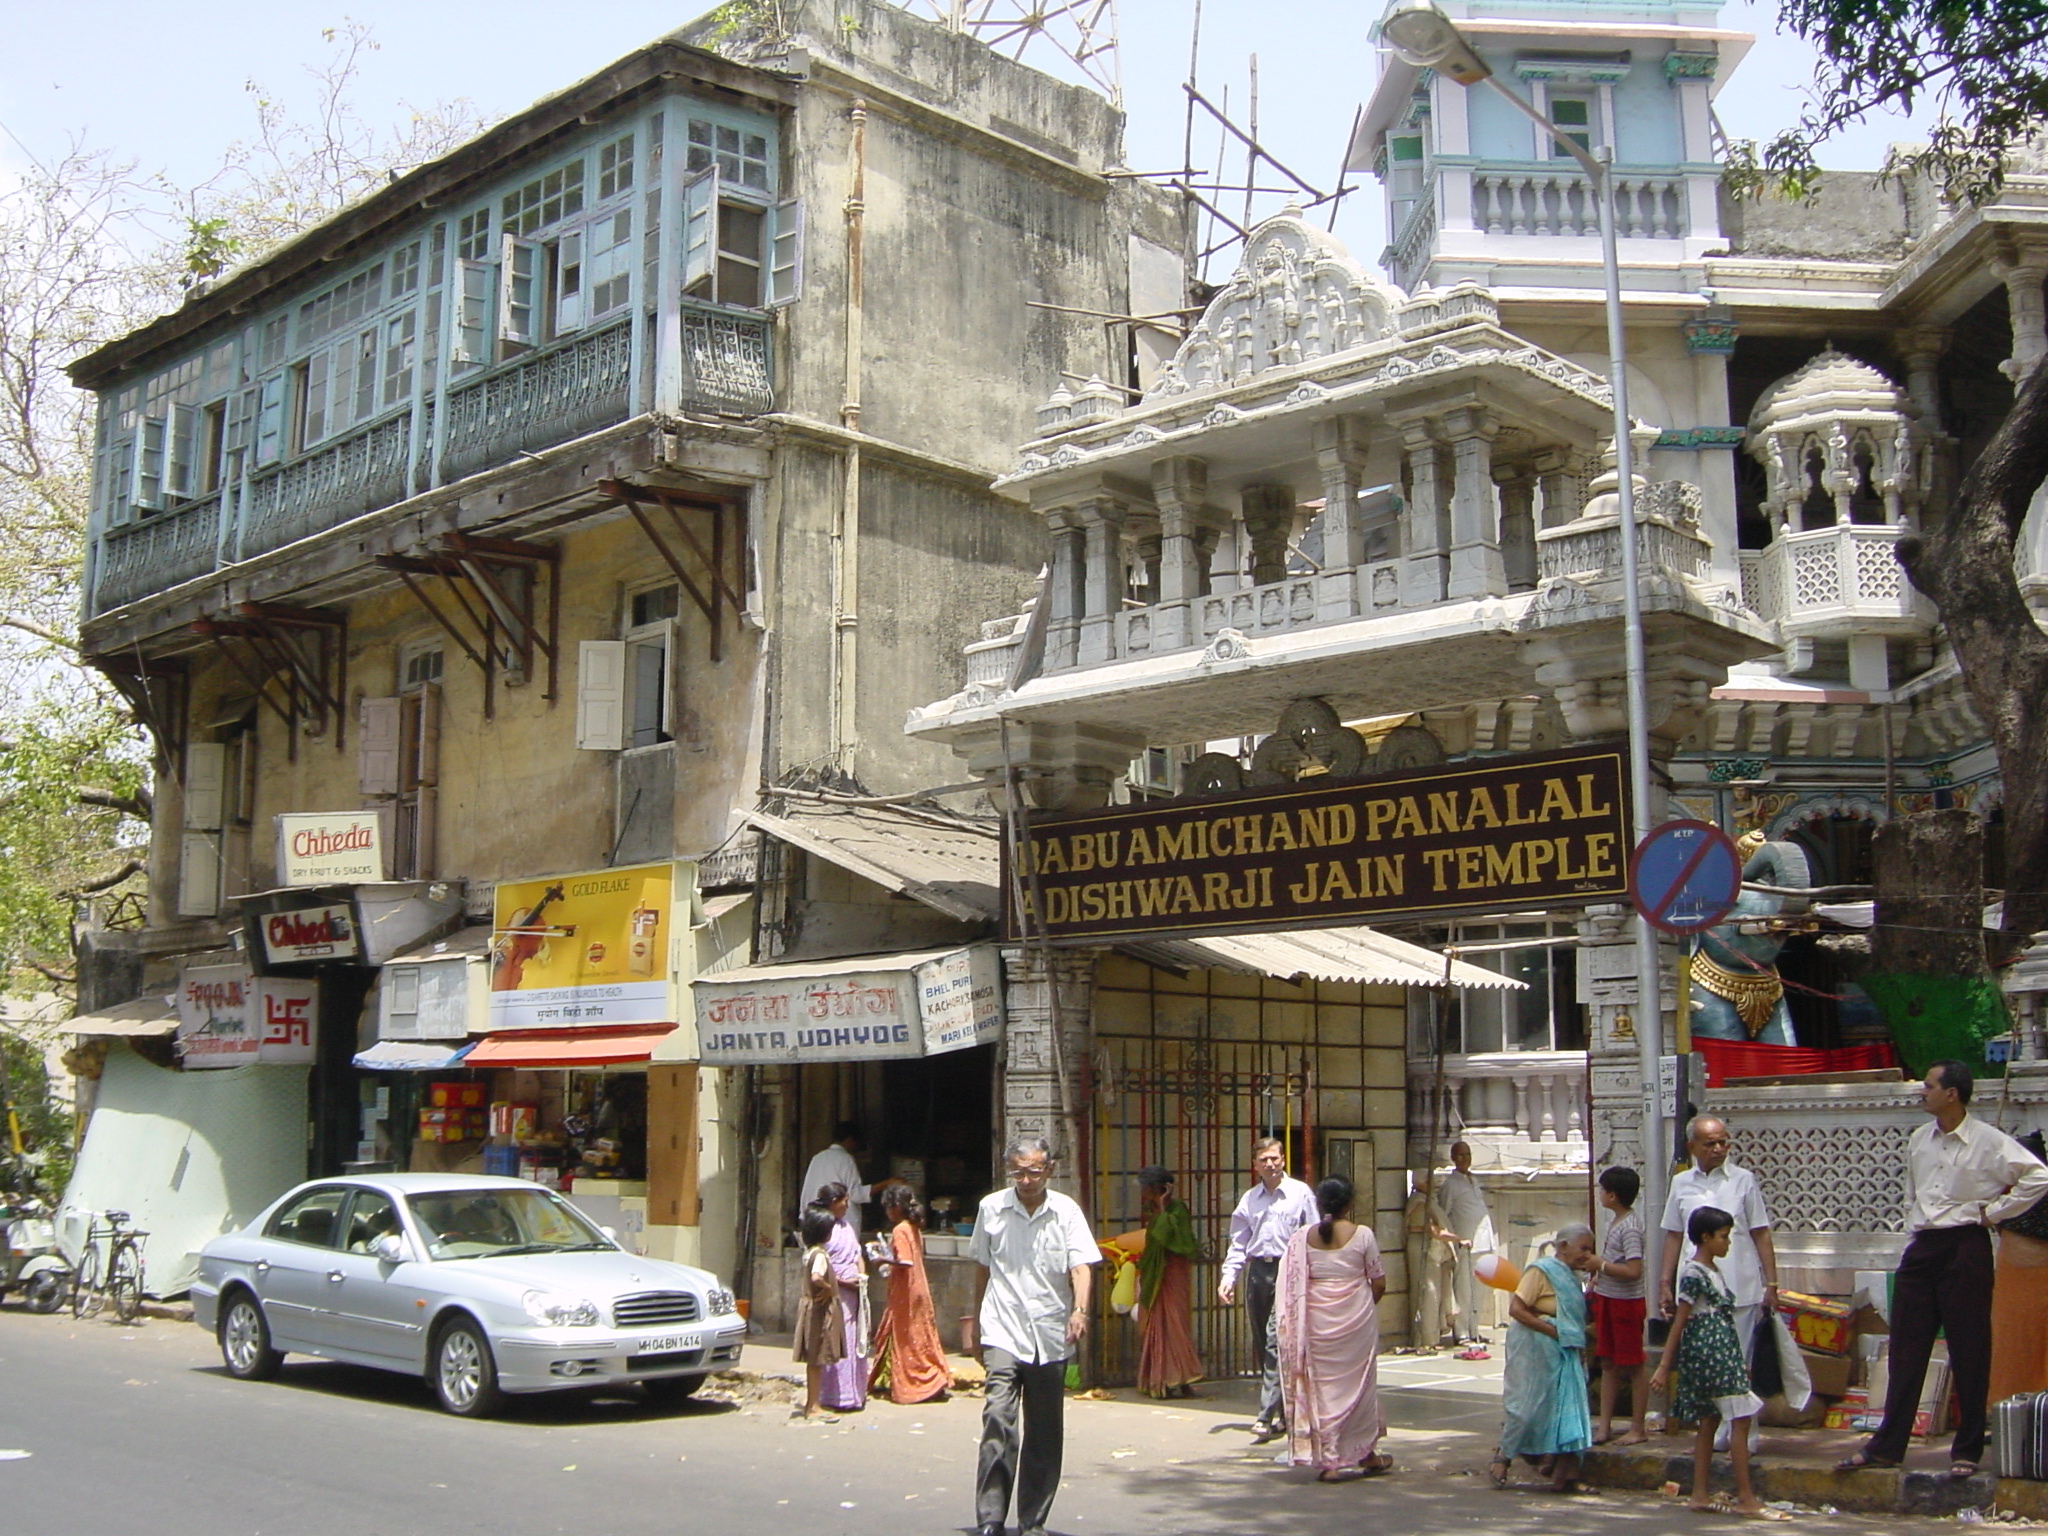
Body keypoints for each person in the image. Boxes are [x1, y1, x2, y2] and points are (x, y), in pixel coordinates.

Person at [1838, 1060, 2048, 1479]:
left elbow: (2038, 1177)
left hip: (1966, 1245)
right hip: (1922, 1247)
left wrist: (1993, 1212)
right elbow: (1915, 1194)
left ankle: (1967, 1448)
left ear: (1951, 1093)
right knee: (1906, 1348)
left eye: (1930, 1086)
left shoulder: (1988, 1140)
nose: (1923, 1092)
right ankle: (1887, 1445)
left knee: (1969, 1347)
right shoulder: (1919, 1139)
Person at [966, 1137, 1100, 1536]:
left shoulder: (1066, 1211)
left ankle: (1032, 1519)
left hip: (1050, 1330)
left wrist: (1080, 1310)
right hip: (1002, 1327)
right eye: (1018, 1171)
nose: (1026, 1179)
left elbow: (1081, 1267)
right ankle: (991, 1516)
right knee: (998, 1419)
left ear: (1049, 1170)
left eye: (1034, 1171)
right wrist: (975, 1323)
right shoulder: (991, 1209)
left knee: (1043, 1429)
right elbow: (982, 1269)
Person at [1650, 1206, 1781, 1519]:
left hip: (1719, 1349)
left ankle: (1699, 1493)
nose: (1728, 1243)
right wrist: (1664, 1364)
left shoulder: (1710, 1271)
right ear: (1706, 1238)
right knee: (1740, 1416)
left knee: (1709, 1420)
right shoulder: (1694, 1273)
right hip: (1711, 1352)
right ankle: (1746, 1496)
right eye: (1723, 1237)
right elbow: (1680, 1321)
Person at [1660, 1115, 1778, 1451]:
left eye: (1723, 1141)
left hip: (1740, 1288)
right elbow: (1672, 1234)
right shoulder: (1682, 1184)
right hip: (1697, 1291)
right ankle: (1711, 1434)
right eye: (1710, 1143)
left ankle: (1744, 1436)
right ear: (1692, 1147)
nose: (1718, 1148)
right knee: (1707, 1365)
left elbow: (1760, 1232)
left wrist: (1772, 1283)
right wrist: (1664, 1282)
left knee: (1739, 1365)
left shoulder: (1743, 1180)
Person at [1275, 1175, 1393, 1482]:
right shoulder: (1363, 1235)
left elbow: (1292, 1286)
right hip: (1357, 1323)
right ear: (1350, 1203)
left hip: (1316, 1324)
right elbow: (1378, 1282)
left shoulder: (1302, 1238)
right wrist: (1362, 1305)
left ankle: (1332, 1460)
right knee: (1361, 1389)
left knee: (1323, 1391)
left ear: (1318, 1203)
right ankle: (1363, 1454)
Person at [1218, 1136, 1318, 1442]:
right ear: (1255, 1165)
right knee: (1263, 1342)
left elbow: (1314, 1236)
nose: (1270, 1164)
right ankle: (1285, 1411)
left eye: (1275, 1158)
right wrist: (1228, 1277)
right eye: (1264, 1160)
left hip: (1289, 1270)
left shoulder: (1301, 1194)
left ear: (1284, 1160)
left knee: (1277, 1339)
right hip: (1258, 1271)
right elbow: (1239, 1242)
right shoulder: (1250, 1199)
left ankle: (1264, 1415)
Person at [1492, 1223, 1598, 1493]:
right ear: (1563, 1247)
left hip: (1564, 1354)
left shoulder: (1574, 1279)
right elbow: (1517, 1309)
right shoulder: (1541, 1271)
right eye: (1583, 1248)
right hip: (1534, 1351)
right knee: (1525, 1410)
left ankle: (1566, 1477)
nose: (1587, 1255)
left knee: (1566, 1413)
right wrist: (1553, 1331)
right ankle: (1503, 1458)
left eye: (1591, 1250)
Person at [870, 1184, 949, 1405]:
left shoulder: (900, 1230)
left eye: (887, 1207)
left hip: (906, 1292)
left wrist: (882, 1259)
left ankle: (921, 1384)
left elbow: (905, 1261)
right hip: (916, 1288)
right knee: (918, 1335)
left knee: (908, 1339)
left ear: (895, 1207)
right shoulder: (913, 1228)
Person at [1134, 1166, 1204, 1399]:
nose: (1142, 1192)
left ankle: (1183, 1379)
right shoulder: (1150, 1209)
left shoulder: (1177, 1209)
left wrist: (1163, 1207)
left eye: (1146, 1187)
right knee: (1154, 1325)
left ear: (1158, 1188)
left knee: (1175, 1325)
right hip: (1154, 1273)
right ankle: (1158, 1380)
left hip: (1172, 1272)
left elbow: (1170, 1239)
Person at [1591, 1165, 1649, 1447]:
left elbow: (1633, 1270)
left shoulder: (1630, 1228)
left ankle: (1637, 1426)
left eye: (1603, 1190)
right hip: (1608, 1297)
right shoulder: (1615, 1223)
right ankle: (1605, 1425)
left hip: (1626, 1303)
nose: (1600, 1194)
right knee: (1608, 1362)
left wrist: (1600, 1265)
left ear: (1612, 1195)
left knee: (1633, 1364)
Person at [1439, 1140, 1497, 1357]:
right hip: (1465, 1245)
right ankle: (1462, 1332)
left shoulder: (1473, 1181)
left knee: (1479, 1291)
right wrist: (1455, 1240)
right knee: (1463, 1290)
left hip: (1483, 1242)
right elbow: (1444, 1214)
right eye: (1459, 1155)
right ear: (1454, 1158)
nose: (1464, 1159)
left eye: (1467, 1154)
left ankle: (1474, 1330)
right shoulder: (1450, 1185)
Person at [816, 1181, 870, 1412]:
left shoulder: (847, 1226)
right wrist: (843, 1282)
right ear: (833, 1203)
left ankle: (854, 1393)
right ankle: (834, 1395)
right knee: (834, 1340)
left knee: (854, 1340)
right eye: (844, 1201)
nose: (847, 1205)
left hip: (854, 1293)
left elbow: (857, 1253)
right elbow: (818, 1265)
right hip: (833, 1292)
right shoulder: (821, 1228)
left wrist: (862, 1274)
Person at [791, 1203, 845, 1422]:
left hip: (809, 1308)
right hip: (819, 1313)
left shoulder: (809, 1252)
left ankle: (812, 1403)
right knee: (816, 1360)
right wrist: (829, 1288)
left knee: (813, 1361)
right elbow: (816, 1277)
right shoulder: (820, 1255)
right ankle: (813, 1406)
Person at [1404, 1171, 1459, 1350]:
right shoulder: (1419, 1202)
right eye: (1428, 1180)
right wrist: (1458, 1239)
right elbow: (1433, 1230)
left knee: (1434, 1292)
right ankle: (1427, 1338)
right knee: (1428, 1292)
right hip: (1421, 1246)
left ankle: (1432, 1335)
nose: (1432, 1183)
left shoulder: (1429, 1200)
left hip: (1429, 1246)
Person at [802, 1123, 872, 1212]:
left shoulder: (817, 1158)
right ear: (850, 1140)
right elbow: (856, 1194)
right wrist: (886, 1184)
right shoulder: (846, 1159)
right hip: (839, 1218)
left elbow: (806, 1192)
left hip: (815, 1217)